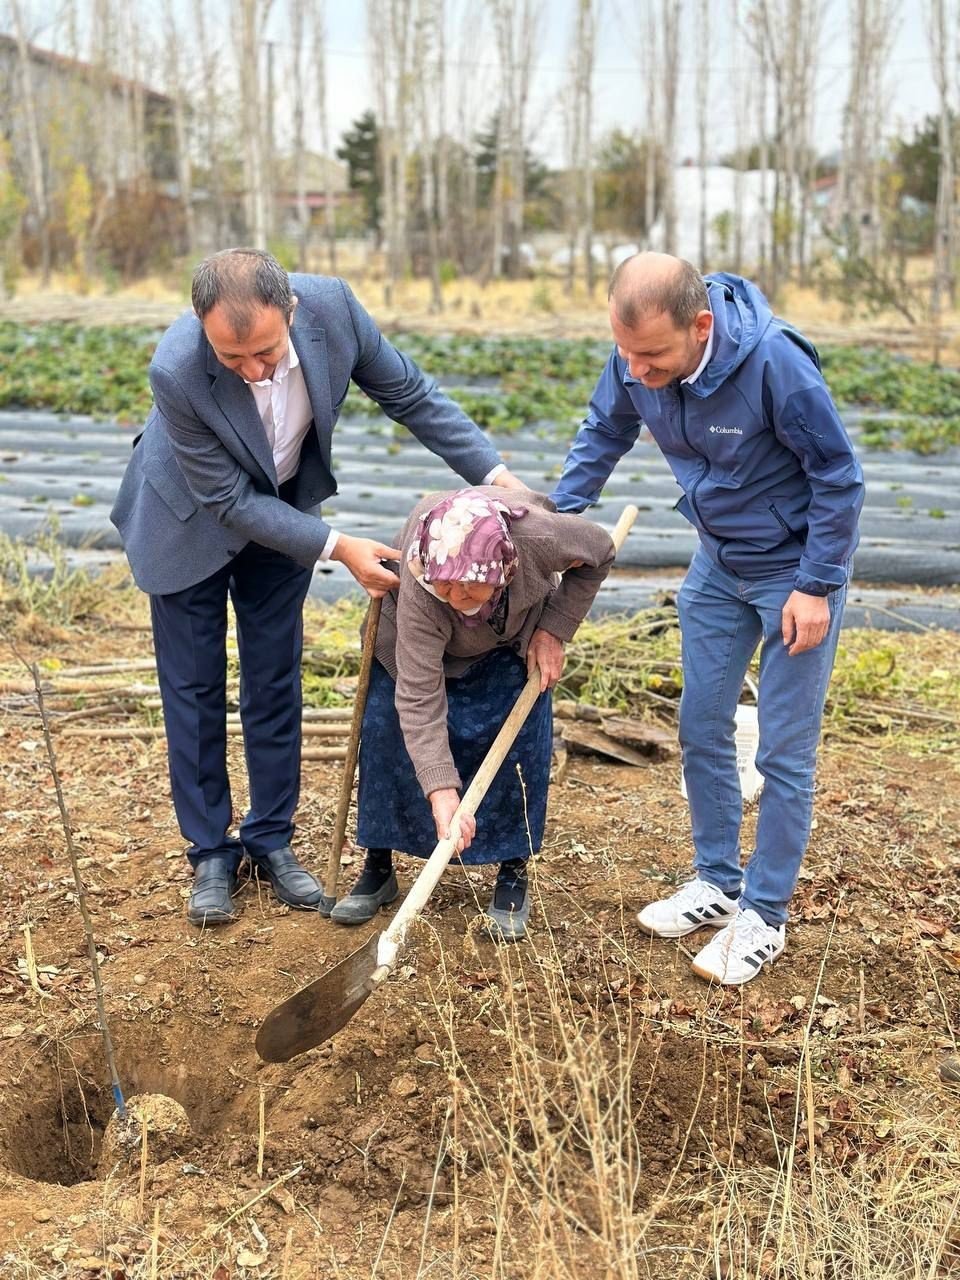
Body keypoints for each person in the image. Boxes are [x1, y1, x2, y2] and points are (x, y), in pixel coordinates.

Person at [110, 248, 525, 928]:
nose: (251, 371)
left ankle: (271, 839)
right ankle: (211, 851)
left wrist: (497, 476)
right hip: (186, 520)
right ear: (201, 327)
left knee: (275, 680)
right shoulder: (177, 367)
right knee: (193, 689)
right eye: (232, 358)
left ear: (293, 313)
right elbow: (228, 501)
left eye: (266, 354)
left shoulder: (332, 308)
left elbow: (412, 394)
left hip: (285, 513)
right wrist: (337, 547)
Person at [551, 252, 864, 984]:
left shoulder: (775, 365)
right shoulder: (636, 356)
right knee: (700, 725)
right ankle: (718, 883)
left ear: (701, 326)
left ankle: (765, 915)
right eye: (626, 351)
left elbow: (839, 476)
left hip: (794, 572)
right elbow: (604, 428)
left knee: (783, 753)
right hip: (718, 562)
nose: (637, 368)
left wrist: (817, 585)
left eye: (653, 354)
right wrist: (557, 522)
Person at [328, 485, 615, 940]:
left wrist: (555, 628)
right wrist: (443, 792)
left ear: (503, 570)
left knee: (516, 742)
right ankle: (377, 868)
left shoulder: (539, 541)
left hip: (509, 637)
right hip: (409, 645)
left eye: (469, 584)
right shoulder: (423, 584)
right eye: (445, 584)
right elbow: (420, 696)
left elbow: (601, 551)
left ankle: (513, 873)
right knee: (388, 734)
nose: (456, 594)